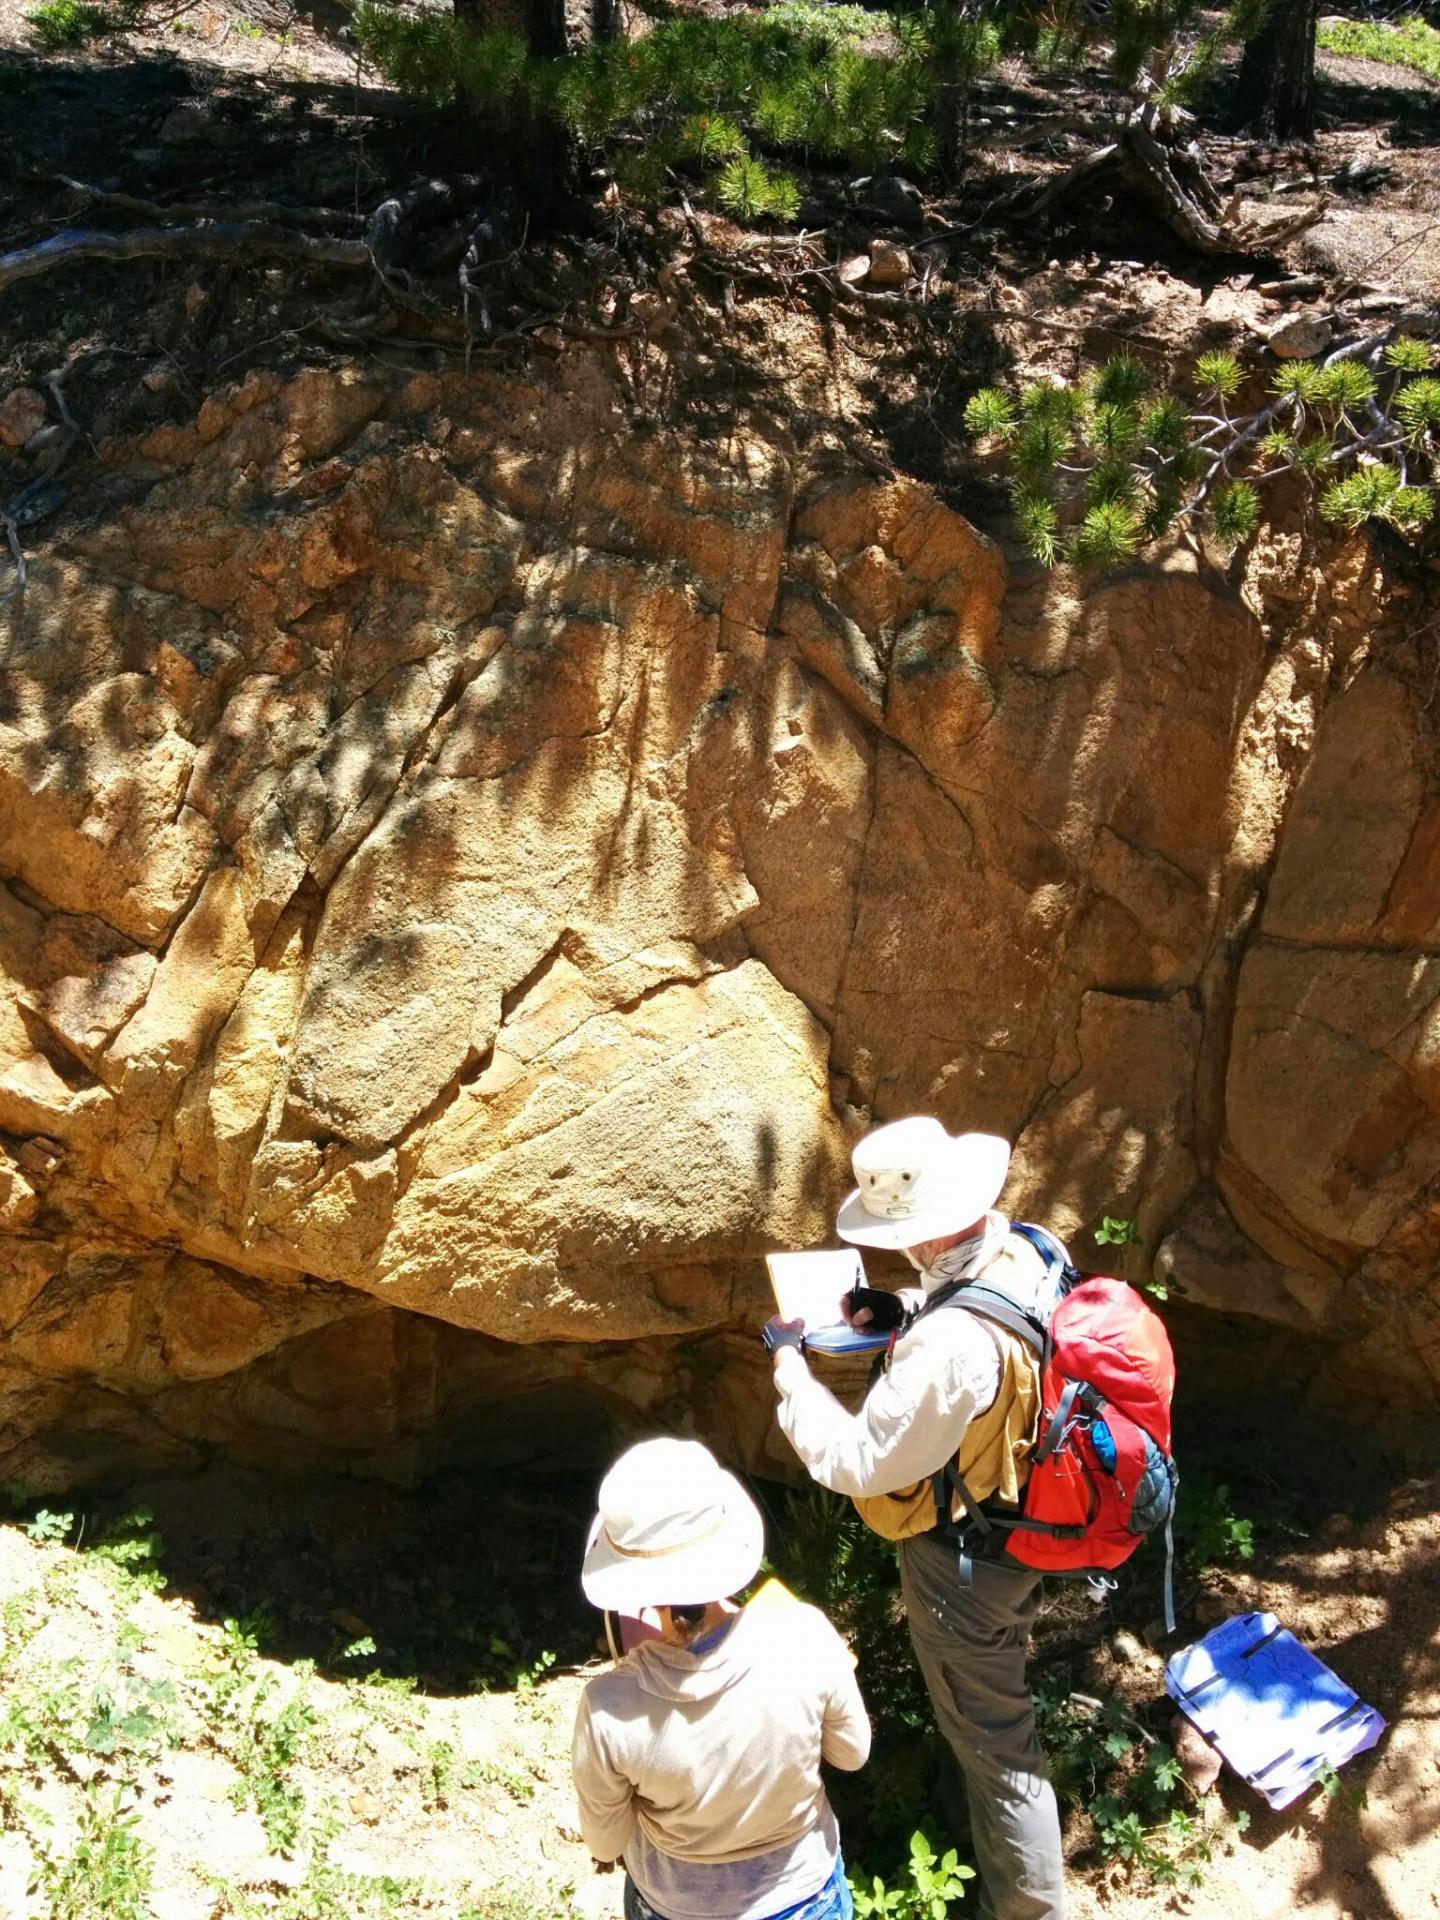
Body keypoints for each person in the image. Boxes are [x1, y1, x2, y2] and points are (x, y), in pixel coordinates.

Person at [763, 1116, 1068, 1920]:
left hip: (969, 1561)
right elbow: (979, 1316)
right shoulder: (1026, 1246)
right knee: (982, 1707)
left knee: (1000, 1749)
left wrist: (791, 1370)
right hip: (1028, 1515)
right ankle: (961, 1798)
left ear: (922, 1235)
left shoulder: (948, 1350)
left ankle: (1033, 1909)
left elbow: (861, 1461)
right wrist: (894, 1309)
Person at [571, 1436, 871, 1920]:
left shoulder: (608, 1704)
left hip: (675, 1906)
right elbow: (852, 1754)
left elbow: (605, 1841)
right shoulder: (804, 1635)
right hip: (805, 1898)